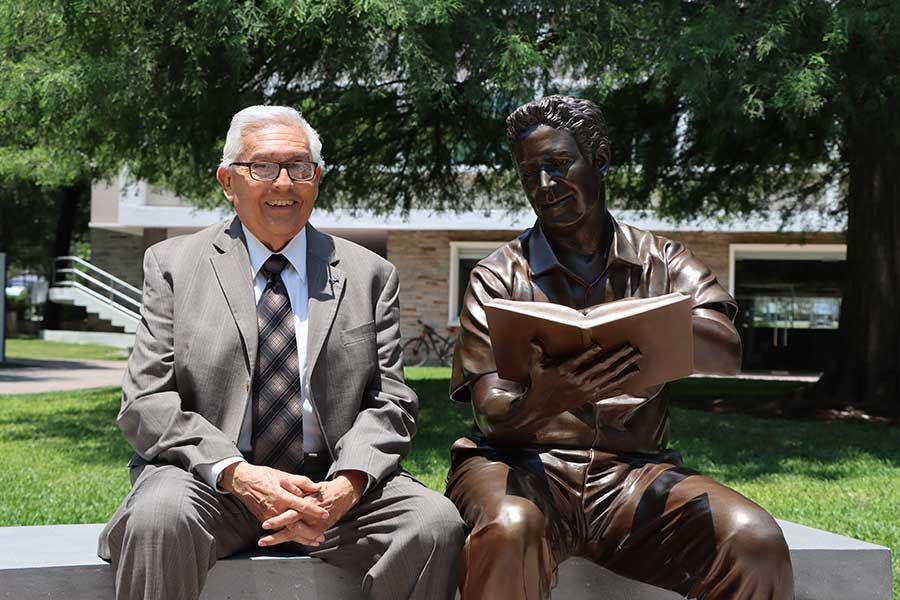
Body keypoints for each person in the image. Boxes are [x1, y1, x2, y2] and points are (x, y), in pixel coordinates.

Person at [98, 105, 465, 600]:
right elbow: (147, 401)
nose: (284, 183)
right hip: (213, 483)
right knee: (159, 517)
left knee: (433, 523)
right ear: (228, 181)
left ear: (316, 179)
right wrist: (238, 475)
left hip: (331, 488)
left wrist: (345, 487)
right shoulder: (173, 265)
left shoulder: (369, 273)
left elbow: (392, 404)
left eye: (299, 167)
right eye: (264, 167)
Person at [446, 95, 794, 600]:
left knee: (754, 538)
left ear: (601, 159)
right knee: (510, 526)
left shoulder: (662, 259)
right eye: (530, 174)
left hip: (634, 476)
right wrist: (548, 395)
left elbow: (725, 348)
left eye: (558, 165)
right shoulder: (497, 275)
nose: (544, 186)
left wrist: (647, 335)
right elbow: (491, 414)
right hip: (521, 468)